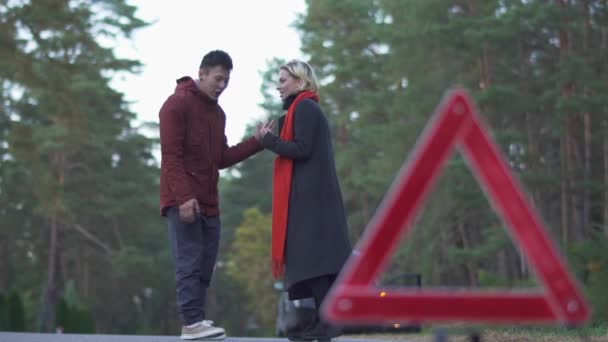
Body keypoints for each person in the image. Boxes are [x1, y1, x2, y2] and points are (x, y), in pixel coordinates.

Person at [159, 50, 266, 340]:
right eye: (218, 78)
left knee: (205, 265)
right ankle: (191, 322)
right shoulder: (175, 105)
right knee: (189, 261)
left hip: (209, 202)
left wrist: (257, 142)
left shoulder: (218, 113)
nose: (222, 85)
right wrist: (183, 198)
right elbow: (171, 158)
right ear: (202, 73)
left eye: (227, 81)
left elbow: (222, 157)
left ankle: (198, 320)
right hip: (182, 201)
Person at [257, 60, 352, 341]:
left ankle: (329, 322)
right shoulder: (303, 108)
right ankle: (321, 322)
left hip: (313, 203)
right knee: (312, 263)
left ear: (300, 82)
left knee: (317, 263)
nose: (278, 85)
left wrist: (269, 141)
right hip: (309, 201)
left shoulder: (307, 107)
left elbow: (302, 149)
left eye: (283, 80)